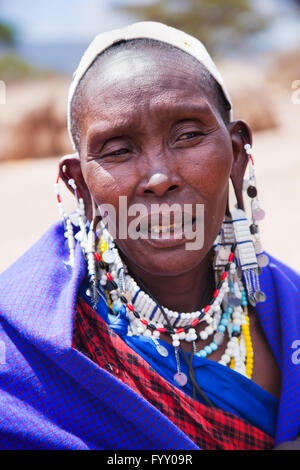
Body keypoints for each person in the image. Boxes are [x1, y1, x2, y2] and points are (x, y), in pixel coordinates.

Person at [0, 21, 299, 451]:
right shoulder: (23, 353)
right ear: (80, 186)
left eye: (189, 134)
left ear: (237, 155)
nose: (159, 178)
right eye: (118, 149)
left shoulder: (289, 309)